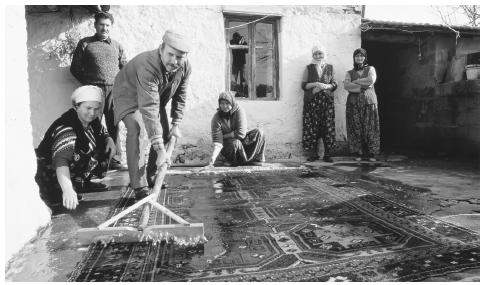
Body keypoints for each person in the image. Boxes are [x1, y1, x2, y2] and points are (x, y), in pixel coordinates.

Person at [112, 30, 191, 199]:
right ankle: (139, 186)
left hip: (154, 96)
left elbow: (181, 94)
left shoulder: (184, 67)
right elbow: (148, 107)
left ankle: (153, 175)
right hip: (128, 93)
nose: (174, 61)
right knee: (138, 129)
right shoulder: (148, 65)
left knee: (165, 131)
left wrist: (176, 123)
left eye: (179, 57)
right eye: (170, 54)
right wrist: (161, 149)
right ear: (161, 48)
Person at [35, 86, 116, 213]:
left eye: (96, 109)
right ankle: (61, 191)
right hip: (49, 171)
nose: (92, 113)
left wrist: (108, 140)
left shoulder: (93, 122)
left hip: (69, 168)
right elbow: (61, 161)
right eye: (88, 108)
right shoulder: (66, 127)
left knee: (101, 146)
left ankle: (83, 183)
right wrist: (67, 189)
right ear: (76, 107)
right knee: (74, 156)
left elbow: (102, 133)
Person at [70, 11, 127, 169]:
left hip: (113, 91)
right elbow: (75, 69)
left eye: (107, 25)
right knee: (93, 124)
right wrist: (88, 84)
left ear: (111, 27)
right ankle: (95, 161)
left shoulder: (117, 46)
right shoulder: (85, 43)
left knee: (114, 124)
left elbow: (125, 68)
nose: (104, 28)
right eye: (101, 24)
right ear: (95, 25)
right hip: (93, 91)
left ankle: (114, 159)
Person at [207, 91, 266, 167]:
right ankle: (232, 161)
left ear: (232, 103)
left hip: (243, 141)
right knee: (235, 143)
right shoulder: (216, 118)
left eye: (227, 103)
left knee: (259, 132)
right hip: (230, 145)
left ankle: (255, 160)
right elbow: (218, 142)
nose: (224, 106)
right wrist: (213, 158)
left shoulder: (239, 110)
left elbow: (241, 133)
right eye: (222, 103)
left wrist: (223, 136)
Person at [301, 45, 338, 162]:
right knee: (312, 126)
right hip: (312, 101)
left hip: (326, 102)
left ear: (324, 54)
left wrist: (326, 86)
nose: (318, 56)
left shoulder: (330, 68)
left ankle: (328, 154)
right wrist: (316, 84)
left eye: (320, 53)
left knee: (328, 127)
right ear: (312, 55)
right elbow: (304, 85)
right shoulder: (308, 68)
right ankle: (313, 154)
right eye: (315, 54)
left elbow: (335, 84)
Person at [343, 48, 380, 162]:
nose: (359, 58)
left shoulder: (370, 69)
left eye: (361, 56)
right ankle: (358, 152)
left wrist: (356, 81)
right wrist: (362, 86)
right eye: (357, 56)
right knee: (355, 127)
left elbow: (371, 80)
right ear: (354, 58)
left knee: (370, 127)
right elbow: (347, 86)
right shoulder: (349, 73)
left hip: (369, 102)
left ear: (365, 57)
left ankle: (371, 153)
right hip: (353, 103)